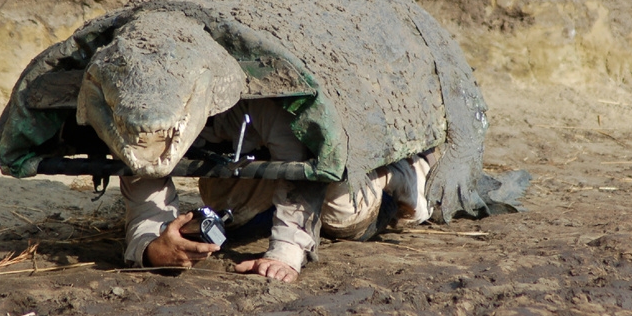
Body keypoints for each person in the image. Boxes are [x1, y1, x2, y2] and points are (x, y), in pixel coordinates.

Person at [121, 98, 433, 282]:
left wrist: (284, 253)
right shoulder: (135, 112)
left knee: (342, 212)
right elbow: (144, 199)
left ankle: (406, 171)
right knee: (225, 200)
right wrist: (151, 250)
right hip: (252, 161)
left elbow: (305, 162)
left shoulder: (259, 100)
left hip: (326, 149)